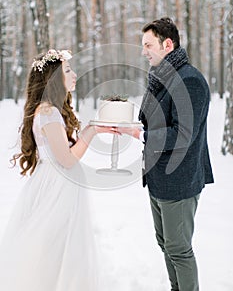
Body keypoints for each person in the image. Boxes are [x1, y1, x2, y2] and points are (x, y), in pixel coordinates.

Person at [0, 49, 117, 291]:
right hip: (58, 187)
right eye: (67, 70)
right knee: (57, 248)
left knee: (61, 247)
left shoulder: (50, 109)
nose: (74, 74)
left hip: (57, 182)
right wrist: (92, 132)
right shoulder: (48, 112)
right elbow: (67, 159)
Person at [117, 17, 214, 291]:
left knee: (179, 249)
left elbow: (184, 134)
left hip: (179, 180)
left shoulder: (190, 80)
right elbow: (152, 121)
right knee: (166, 244)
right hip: (158, 178)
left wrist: (141, 135)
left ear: (167, 44)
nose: (144, 50)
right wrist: (130, 126)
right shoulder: (161, 78)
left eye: (148, 45)